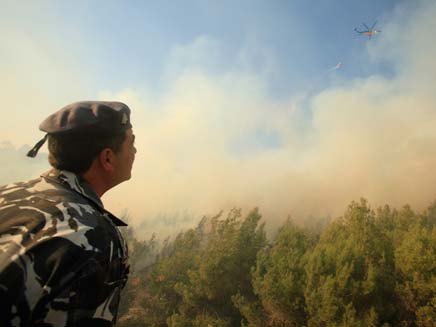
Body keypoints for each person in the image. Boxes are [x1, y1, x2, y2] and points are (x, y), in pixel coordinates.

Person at [0, 101, 136, 326]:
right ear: (108, 158)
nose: (135, 151)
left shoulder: (6, 193)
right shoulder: (94, 238)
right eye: (132, 142)